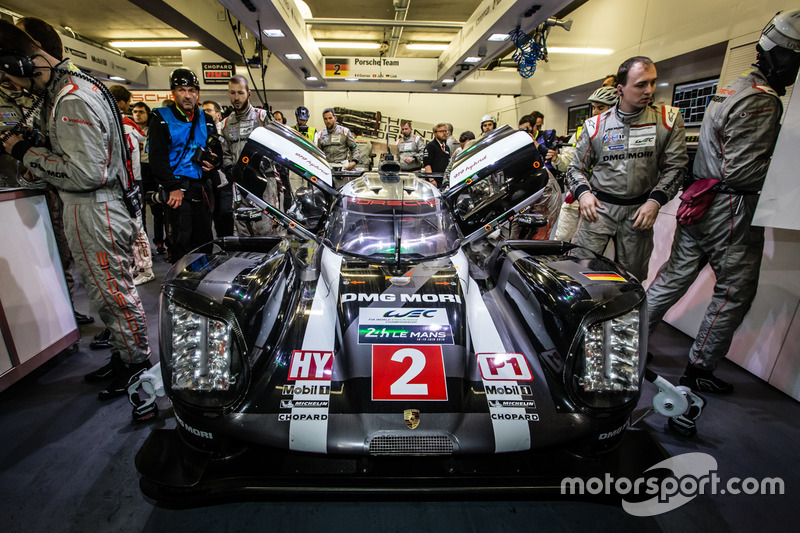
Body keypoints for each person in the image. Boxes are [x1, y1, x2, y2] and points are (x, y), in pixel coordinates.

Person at [646, 10, 800, 395]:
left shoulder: (731, 87)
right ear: (784, 57)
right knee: (734, 292)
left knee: (670, 279)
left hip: (698, 205)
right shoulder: (763, 102)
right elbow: (744, 173)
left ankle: (629, 343)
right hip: (730, 211)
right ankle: (699, 368)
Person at [0, 20, 152, 399]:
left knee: (114, 292)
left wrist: (24, 151)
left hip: (95, 209)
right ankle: (124, 355)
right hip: (90, 209)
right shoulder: (69, 90)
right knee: (104, 293)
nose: (12, 84)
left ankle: (136, 365)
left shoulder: (71, 97)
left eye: (10, 74)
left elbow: (87, 171)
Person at [0, 17, 94, 326]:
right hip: (15, 193)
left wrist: (28, 151)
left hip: (53, 189)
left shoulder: (58, 93)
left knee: (59, 256)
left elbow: (80, 167)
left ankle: (62, 315)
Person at [566, 56, 688, 282]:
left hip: (639, 211)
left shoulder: (668, 120)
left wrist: (655, 201)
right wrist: (583, 195)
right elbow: (574, 169)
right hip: (599, 210)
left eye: (652, 83)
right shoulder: (595, 125)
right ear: (620, 89)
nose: (649, 90)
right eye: (641, 84)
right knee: (578, 271)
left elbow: (676, 167)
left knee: (632, 279)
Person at [148, 68, 219, 262]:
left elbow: (216, 150)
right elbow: (157, 158)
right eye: (181, 90)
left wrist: (213, 163)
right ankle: (181, 285)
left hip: (201, 187)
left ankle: (203, 281)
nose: (187, 95)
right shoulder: (161, 118)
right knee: (180, 240)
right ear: (173, 92)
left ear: (198, 93)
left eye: (191, 90)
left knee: (204, 239)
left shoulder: (206, 119)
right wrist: (172, 187)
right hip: (177, 188)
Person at [553, 86, 619, 242]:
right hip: (575, 199)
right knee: (561, 239)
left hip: (603, 205)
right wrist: (556, 159)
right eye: (594, 108)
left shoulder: (621, 135)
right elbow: (568, 166)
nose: (595, 112)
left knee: (588, 250)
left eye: (600, 108)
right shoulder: (584, 131)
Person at [220, 75, 278, 237]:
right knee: (243, 228)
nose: (236, 98)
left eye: (240, 93)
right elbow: (225, 153)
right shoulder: (225, 124)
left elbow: (276, 148)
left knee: (265, 228)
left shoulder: (263, 118)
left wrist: (258, 166)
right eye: (232, 93)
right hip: (239, 184)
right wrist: (230, 168)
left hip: (263, 181)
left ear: (249, 94)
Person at [109, 85, 155, 286]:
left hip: (129, 181)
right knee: (127, 226)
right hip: (123, 181)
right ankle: (136, 265)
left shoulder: (124, 126)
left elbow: (126, 158)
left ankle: (145, 268)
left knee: (137, 226)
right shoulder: (116, 123)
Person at [133, 101, 167, 255]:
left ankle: (159, 242)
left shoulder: (154, 130)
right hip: (136, 173)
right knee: (139, 212)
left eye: (141, 112)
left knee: (157, 211)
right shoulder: (129, 131)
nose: (137, 115)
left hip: (151, 172)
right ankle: (143, 244)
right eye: (135, 112)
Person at [202, 100, 234, 239]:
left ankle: (228, 245)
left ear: (218, 114)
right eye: (203, 110)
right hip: (208, 181)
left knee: (225, 214)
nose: (205, 113)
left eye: (209, 110)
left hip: (226, 181)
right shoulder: (201, 132)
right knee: (211, 217)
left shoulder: (226, 130)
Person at [317, 107, 360, 187]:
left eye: (330, 118)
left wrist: (354, 162)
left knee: (343, 194)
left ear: (335, 118)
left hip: (343, 169)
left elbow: (354, 149)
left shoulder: (344, 132)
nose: (328, 121)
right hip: (328, 169)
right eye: (325, 119)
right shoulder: (320, 135)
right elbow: (318, 153)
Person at [422, 123, 450, 188]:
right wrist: (431, 179)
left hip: (443, 180)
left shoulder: (447, 147)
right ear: (435, 133)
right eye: (441, 131)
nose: (444, 133)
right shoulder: (430, 146)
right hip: (433, 180)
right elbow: (427, 164)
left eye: (445, 131)